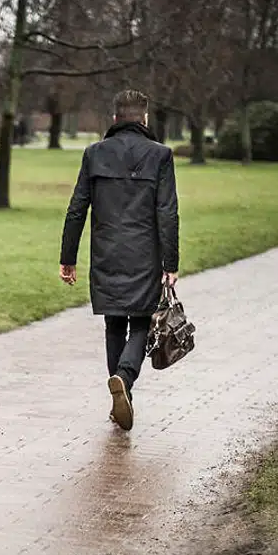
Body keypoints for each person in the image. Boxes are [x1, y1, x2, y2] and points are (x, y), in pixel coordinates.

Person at [58, 89, 180, 432]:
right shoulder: (160, 155)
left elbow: (77, 207)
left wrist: (68, 257)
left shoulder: (94, 153)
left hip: (106, 252)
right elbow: (167, 213)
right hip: (145, 254)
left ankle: (120, 393)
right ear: (144, 118)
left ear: (114, 118)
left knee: (114, 324)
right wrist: (170, 262)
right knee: (141, 323)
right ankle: (124, 379)